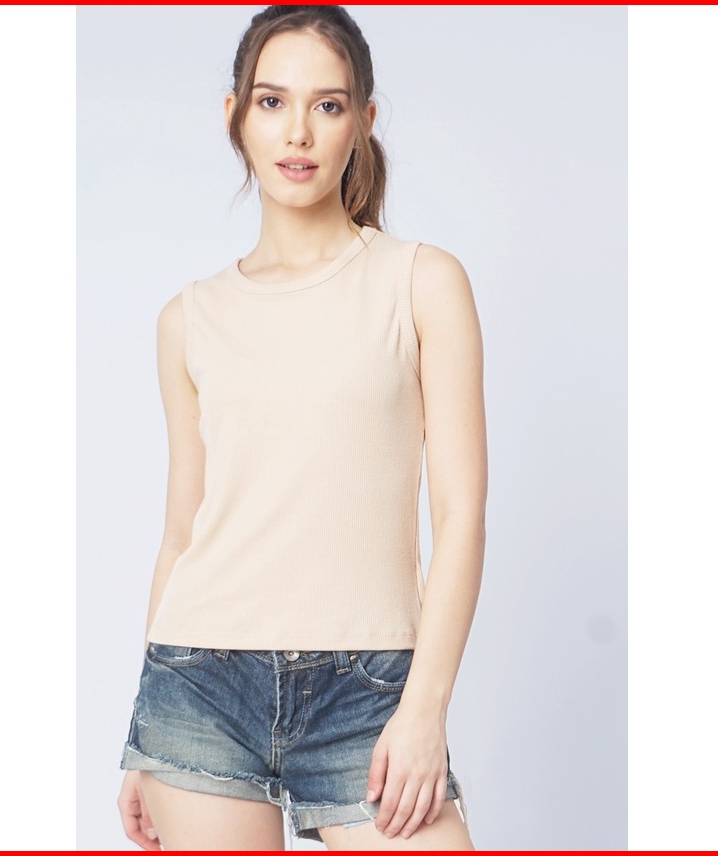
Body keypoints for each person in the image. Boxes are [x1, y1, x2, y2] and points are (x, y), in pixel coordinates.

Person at [116, 5, 487, 850]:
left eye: (328, 104)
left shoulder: (422, 282)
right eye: (272, 101)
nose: (299, 132)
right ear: (235, 116)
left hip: (369, 687)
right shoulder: (188, 318)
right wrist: (143, 736)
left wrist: (424, 710)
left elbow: (461, 515)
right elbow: (182, 530)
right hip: (199, 685)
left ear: (364, 119)